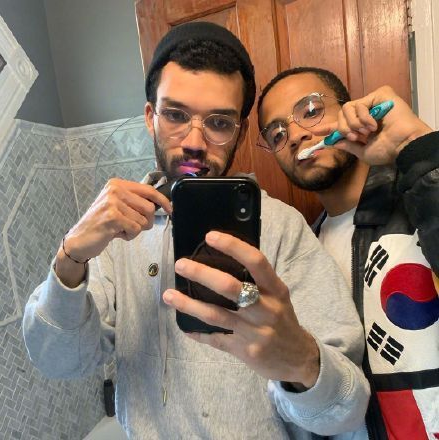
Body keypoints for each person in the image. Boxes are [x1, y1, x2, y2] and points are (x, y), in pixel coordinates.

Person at [23, 24, 370, 439]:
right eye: (175, 115)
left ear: (240, 132)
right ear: (150, 117)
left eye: (219, 123)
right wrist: (69, 259)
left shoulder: (282, 228)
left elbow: (347, 413)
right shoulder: (116, 234)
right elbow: (59, 361)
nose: (194, 142)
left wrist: (302, 361)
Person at [257, 66, 439, 439]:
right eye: (277, 133)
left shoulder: (420, 199)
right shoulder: (300, 254)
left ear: (348, 109)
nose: (295, 135)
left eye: (310, 110)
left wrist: (415, 146)